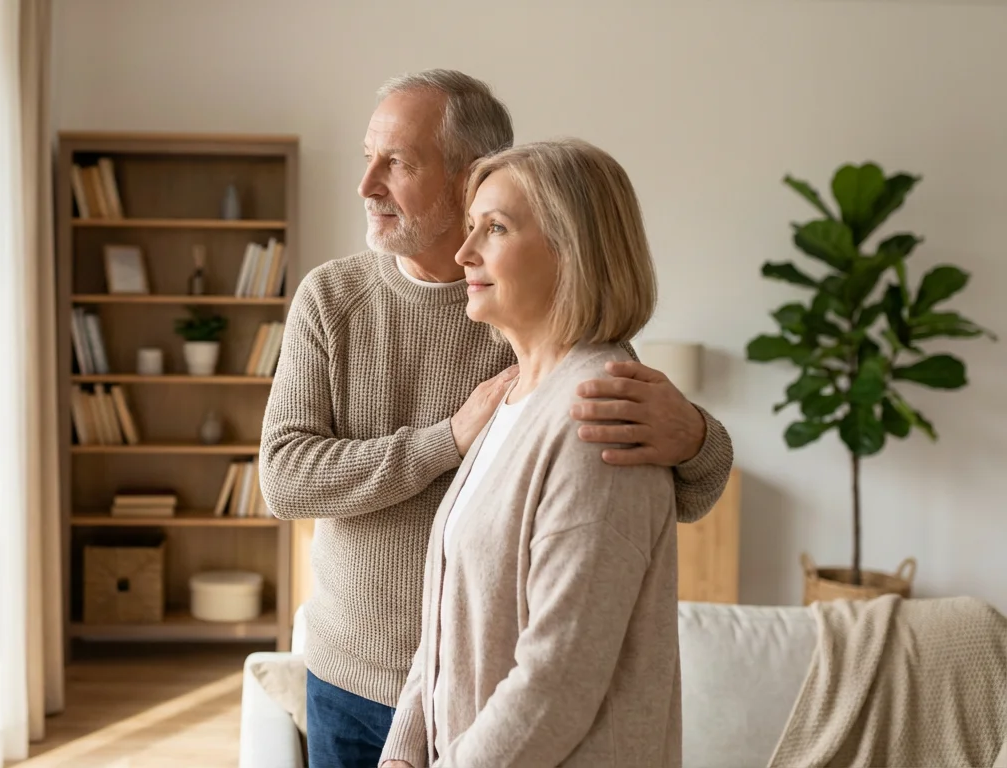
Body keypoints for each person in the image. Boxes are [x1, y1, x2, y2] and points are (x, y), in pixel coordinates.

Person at [258, 69, 732, 768]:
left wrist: (694, 436)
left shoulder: (545, 331)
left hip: (486, 693)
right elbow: (284, 482)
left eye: (398, 162)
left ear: (465, 177)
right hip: (352, 674)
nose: (367, 185)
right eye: (368, 157)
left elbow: (661, 491)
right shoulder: (334, 298)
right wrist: (443, 442)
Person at [379, 138, 683, 768]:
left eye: (495, 229)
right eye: (470, 228)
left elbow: (557, 685)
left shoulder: (598, 416)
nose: (464, 253)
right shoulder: (511, 399)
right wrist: (403, 754)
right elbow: (444, 624)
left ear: (572, 251)